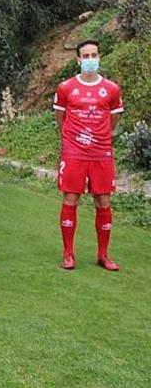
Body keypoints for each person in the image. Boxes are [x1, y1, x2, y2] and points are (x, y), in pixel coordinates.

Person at [53, 39, 123, 271]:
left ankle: (103, 255)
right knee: (70, 198)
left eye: (95, 55)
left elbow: (114, 118)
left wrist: (100, 136)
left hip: (101, 152)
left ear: (99, 57)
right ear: (78, 60)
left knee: (103, 201)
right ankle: (68, 253)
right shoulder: (65, 88)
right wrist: (73, 139)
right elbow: (61, 118)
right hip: (74, 152)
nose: (91, 60)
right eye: (86, 56)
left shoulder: (111, 89)